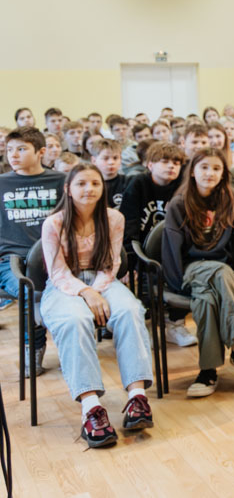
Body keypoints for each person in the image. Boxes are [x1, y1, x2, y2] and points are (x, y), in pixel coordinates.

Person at [39, 162, 153, 448]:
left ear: (103, 189)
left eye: (95, 183)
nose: (88, 189)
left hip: (103, 280)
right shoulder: (53, 223)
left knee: (130, 310)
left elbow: (112, 264)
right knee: (74, 320)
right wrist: (87, 293)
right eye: (80, 184)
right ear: (68, 189)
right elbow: (58, 273)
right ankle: (90, 408)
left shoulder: (114, 218)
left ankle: (137, 397)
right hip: (65, 285)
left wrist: (97, 290)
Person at [162, 147, 234, 397]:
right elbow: (171, 249)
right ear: (193, 171)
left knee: (207, 299)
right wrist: (178, 284)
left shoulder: (231, 198)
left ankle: (207, 371)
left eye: (216, 168)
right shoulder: (179, 203)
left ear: (224, 173)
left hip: (223, 274)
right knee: (220, 271)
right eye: (204, 167)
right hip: (190, 270)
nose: (210, 173)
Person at [0, 127, 67, 371]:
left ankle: (68, 340)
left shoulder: (60, 180)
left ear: (41, 152)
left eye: (21, 149)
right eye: (9, 150)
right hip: (12, 260)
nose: (13, 155)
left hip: (54, 255)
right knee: (28, 290)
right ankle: (34, 346)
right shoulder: (1, 184)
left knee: (65, 290)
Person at [121, 142, 196, 347]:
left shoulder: (184, 185)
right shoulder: (138, 184)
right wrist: (131, 262)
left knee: (187, 271)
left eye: (176, 162)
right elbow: (129, 225)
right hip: (144, 251)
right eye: (164, 161)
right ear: (150, 164)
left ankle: (176, 325)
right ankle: (148, 327)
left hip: (175, 250)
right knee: (144, 286)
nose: (171, 166)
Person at [90, 138, 127, 211]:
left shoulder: (128, 182)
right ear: (94, 160)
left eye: (115, 158)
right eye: (106, 158)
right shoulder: (90, 185)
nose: (111, 162)